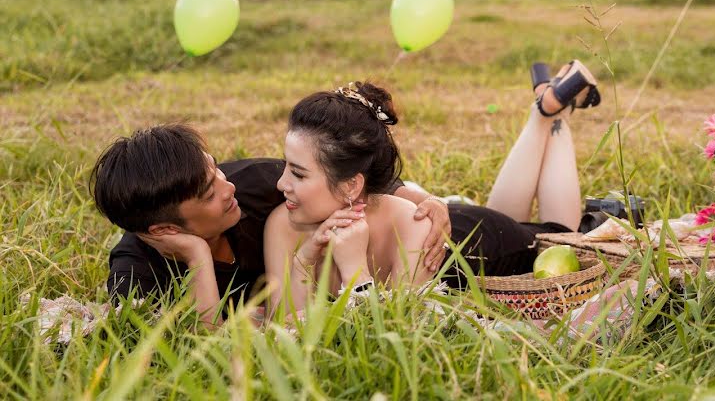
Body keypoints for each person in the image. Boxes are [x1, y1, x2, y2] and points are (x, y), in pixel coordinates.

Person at [264, 60, 602, 313]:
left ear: (352, 185)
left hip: (486, 246)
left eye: (298, 173)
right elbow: (285, 329)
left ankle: (552, 115)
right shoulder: (283, 224)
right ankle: (546, 109)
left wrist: (355, 270)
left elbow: (399, 332)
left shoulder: (409, 226)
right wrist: (303, 263)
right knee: (507, 211)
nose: (281, 184)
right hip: (450, 214)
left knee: (558, 230)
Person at [90, 125, 450, 323]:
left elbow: (349, 178)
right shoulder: (135, 275)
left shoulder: (250, 184)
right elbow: (199, 351)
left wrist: (429, 202)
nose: (226, 186)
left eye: (215, 168)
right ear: (165, 231)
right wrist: (198, 256)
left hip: (412, 237)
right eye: (208, 192)